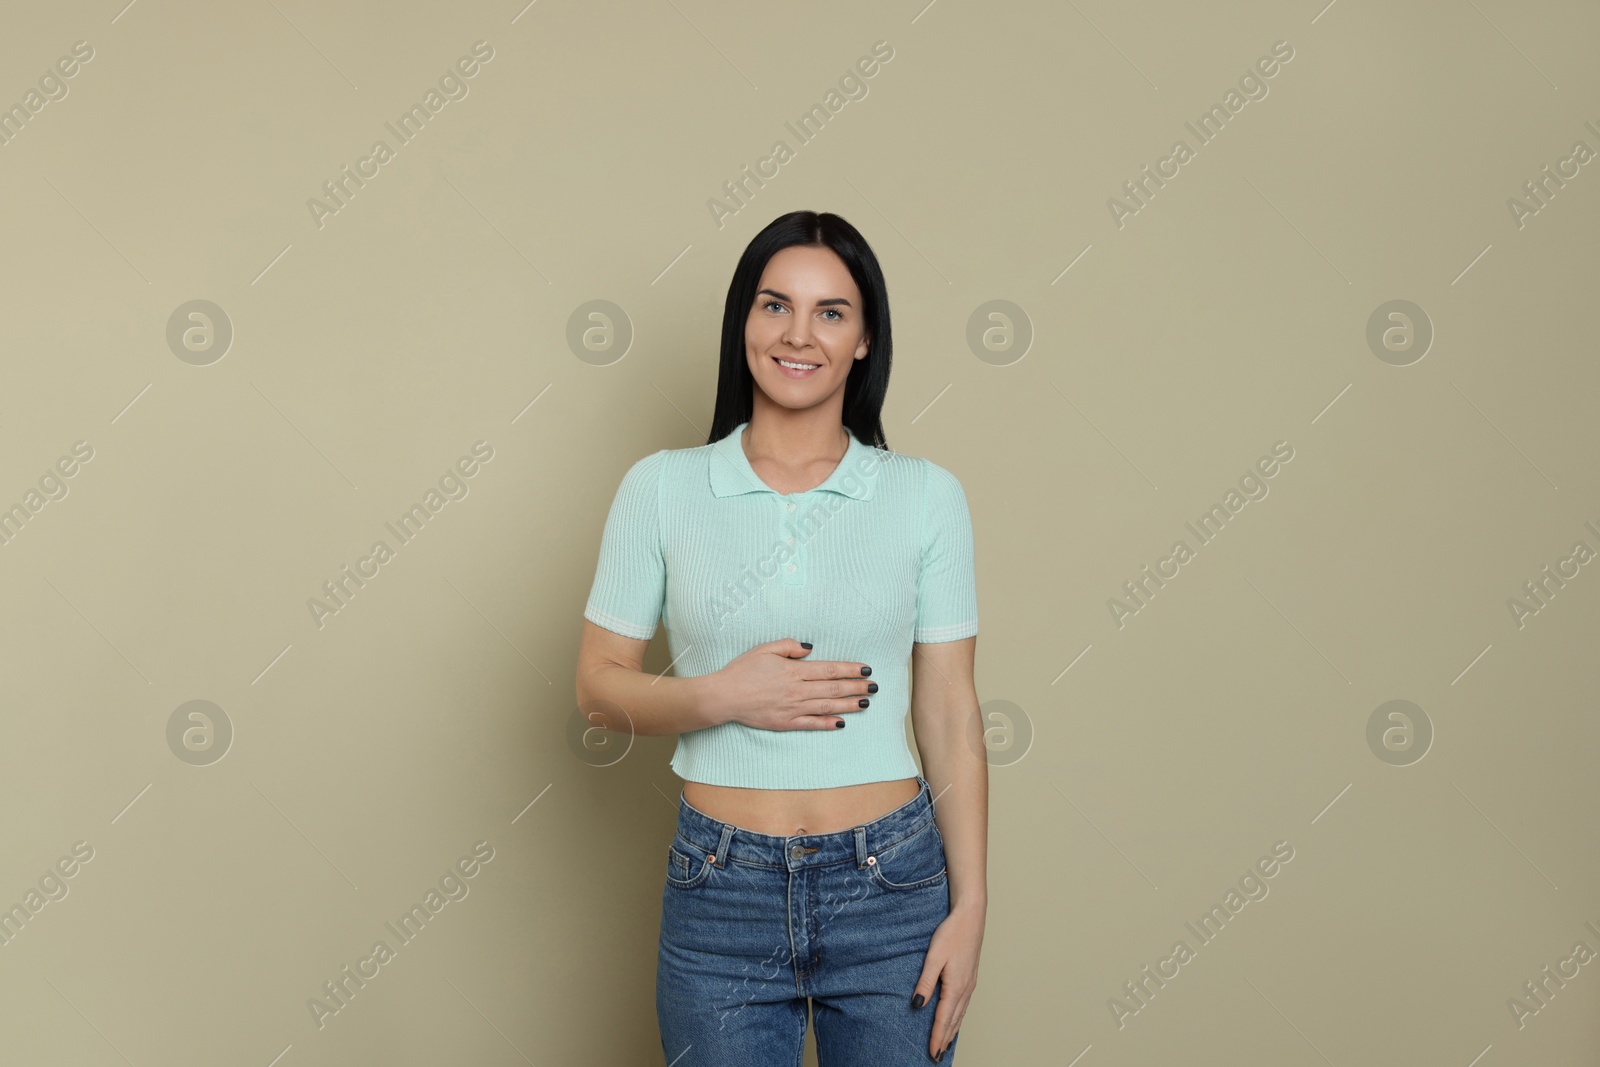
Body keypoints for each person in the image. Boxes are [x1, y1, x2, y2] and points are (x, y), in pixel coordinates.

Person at [575, 210, 985, 1064]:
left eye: (832, 312)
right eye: (775, 306)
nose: (800, 334)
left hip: (892, 883)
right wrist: (720, 695)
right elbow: (598, 686)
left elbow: (949, 708)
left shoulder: (924, 495)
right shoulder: (661, 488)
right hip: (719, 887)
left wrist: (971, 902)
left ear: (866, 337)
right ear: (744, 323)